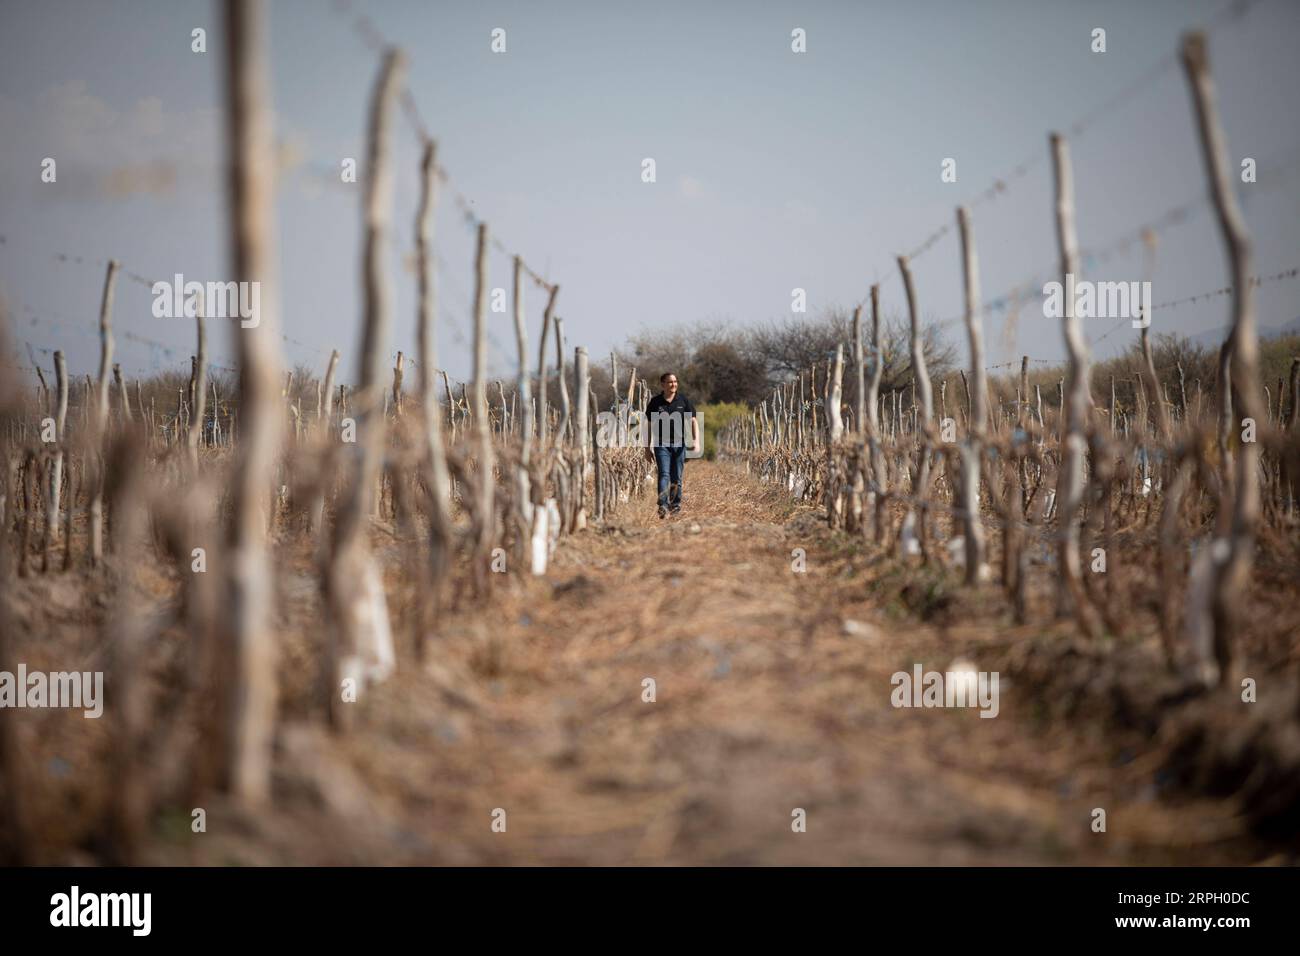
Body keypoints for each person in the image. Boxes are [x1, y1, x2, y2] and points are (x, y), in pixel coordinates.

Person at [644, 371, 699, 518]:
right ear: (663, 385)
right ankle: (662, 505)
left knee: (677, 477)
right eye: (669, 382)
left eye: (675, 382)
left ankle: (675, 506)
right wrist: (646, 449)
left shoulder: (683, 401)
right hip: (661, 444)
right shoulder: (656, 403)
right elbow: (648, 426)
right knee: (664, 474)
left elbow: (693, 421)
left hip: (679, 444)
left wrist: (696, 441)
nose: (673, 384)